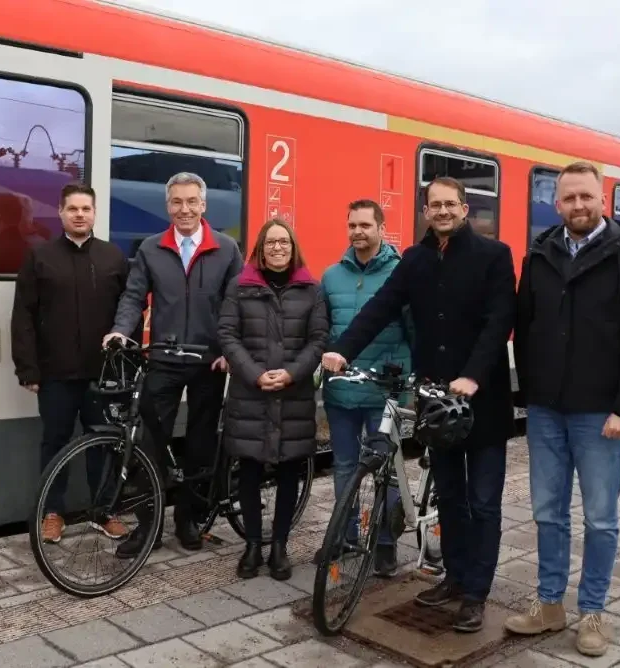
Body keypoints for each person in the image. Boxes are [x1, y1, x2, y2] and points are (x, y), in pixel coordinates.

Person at [321, 176, 517, 633]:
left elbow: (499, 321)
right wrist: (343, 350)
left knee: (483, 501)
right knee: (449, 495)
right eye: (435, 205)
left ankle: (476, 593)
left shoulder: (494, 255)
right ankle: (454, 578)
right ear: (425, 212)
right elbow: (381, 307)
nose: (443, 211)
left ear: (465, 208)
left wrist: (473, 375)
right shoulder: (415, 259)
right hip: (435, 400)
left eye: (451, 204)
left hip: (482, 401)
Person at [506, 161, 620, 657]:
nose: (578, 205)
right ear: (556, 204)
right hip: (547, 410)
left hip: (601, 413)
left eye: (586, 197)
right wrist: (529, 392)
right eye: (569, 198)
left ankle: (592, 612)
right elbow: (525, 324)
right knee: (547, 512)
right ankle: (550, 603)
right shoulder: (540, 252)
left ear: (602, 199)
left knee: (600, 518)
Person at [104, 172, 244, 557]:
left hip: (209, 362)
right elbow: (133, 297)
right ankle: (148, 527)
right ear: (167, 206)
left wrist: (230, 350)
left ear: (203, 205)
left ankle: (188, 520)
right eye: (177, 202)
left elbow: (236, 304)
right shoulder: (151, 248)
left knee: (200, 443)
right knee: (148, 443)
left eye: (191, 201)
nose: (185, 209)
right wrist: (120, 331)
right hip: (163, 359)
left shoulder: (226, 249)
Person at [11, 183, 130, 544]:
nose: (80, 215)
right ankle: (52, 513)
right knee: (55, 443)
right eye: (73, 209)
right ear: (60, 213)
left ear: (94, 213)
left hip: (103, 374)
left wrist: (124, 364)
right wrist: (27, 368)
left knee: (104, 443)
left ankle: (103, 511)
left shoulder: (113, 257)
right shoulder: (40, 257)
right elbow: (23, 316)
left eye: (86, 209)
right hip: (55, 374)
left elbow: (130, 311)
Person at [217, 218, 328, 580]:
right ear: (260, 250)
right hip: (251, 393)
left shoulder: (311, 290)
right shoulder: (240, 287)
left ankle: (280, 545)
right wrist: (253, 373)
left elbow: (318, 339)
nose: (277, 248)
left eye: (284, 242)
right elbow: (227, 334)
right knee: (248, 470)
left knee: (288, 472)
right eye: (270, 242)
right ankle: (252, 544)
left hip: (293, 394)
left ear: (293, 248)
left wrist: (292, 373)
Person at [317, 199, 413, 576]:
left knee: (385, 470)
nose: (357, 231)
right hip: (342, 390)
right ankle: (345, 535)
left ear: (381, 228)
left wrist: (412, 382)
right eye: (352, 225)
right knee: (344, 466)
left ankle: (385, 541)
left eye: (365, 225)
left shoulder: (401, 273)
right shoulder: (331, 276)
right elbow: (323, 330)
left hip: (383, 392)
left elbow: (414, 330)